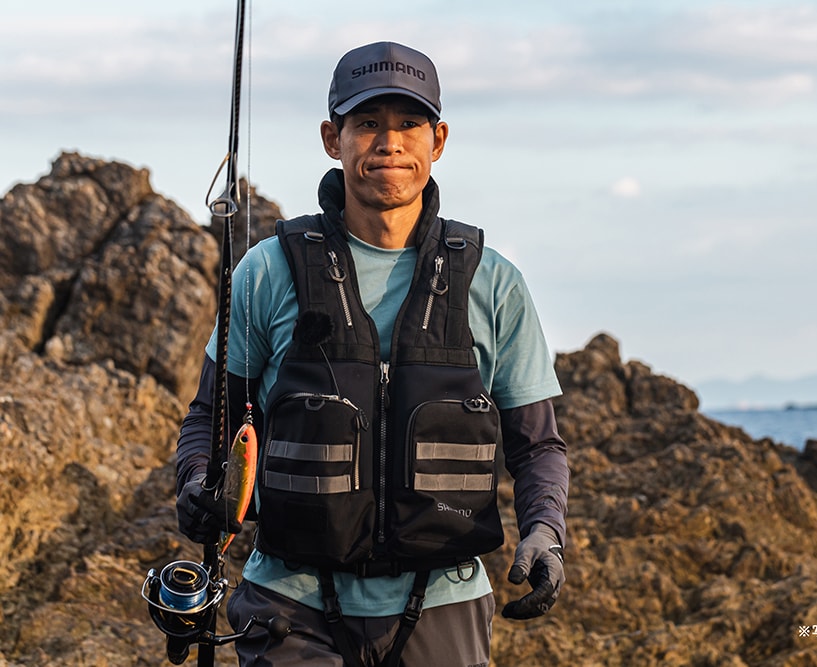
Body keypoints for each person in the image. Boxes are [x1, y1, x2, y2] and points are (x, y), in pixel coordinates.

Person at [175, 41, 569, 667]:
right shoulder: (267, 271)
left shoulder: (494, 283)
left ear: (438, 140)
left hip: (444, 601)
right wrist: (197, 485)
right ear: (334, 138)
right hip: (289, 603)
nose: (389, 142)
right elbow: (209, 416)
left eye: (408, 123)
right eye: (367, 124)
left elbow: (537, 444)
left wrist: (545, 532)